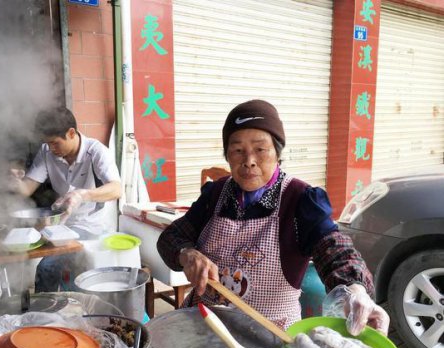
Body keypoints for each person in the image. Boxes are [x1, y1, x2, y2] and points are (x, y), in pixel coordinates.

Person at [157, 99, 389, 335]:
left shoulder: (299, 199)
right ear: (227, 155)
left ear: (277, 152)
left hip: (268, 336)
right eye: (238, 150)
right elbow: (171, 237)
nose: (249, 161)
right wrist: (187, 254)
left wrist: (355, 289)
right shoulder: (215, 194)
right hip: (205, 324)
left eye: (260, 149)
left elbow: (334, 248)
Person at [11, 106, 121, 292]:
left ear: (71, 133)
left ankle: (60, 311)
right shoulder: (47, 152)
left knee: (49, 267)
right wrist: (14, 180)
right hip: (62, 226)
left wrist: (82, 194)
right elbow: (26, 189)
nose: (50, 148)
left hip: (90, 226)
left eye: (55, 143)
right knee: (40, 263)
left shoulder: (95, 152)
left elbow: (117, 189)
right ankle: (46, 314)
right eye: (47, 143)